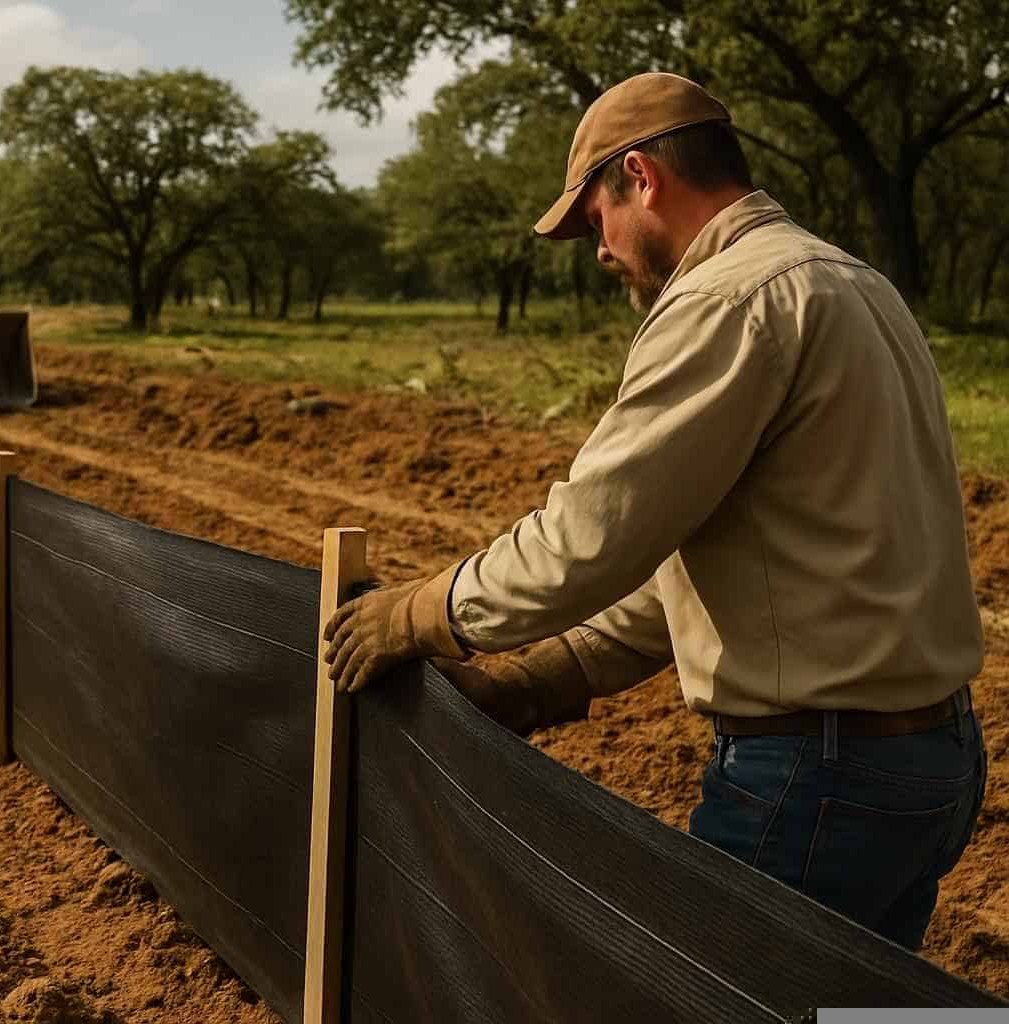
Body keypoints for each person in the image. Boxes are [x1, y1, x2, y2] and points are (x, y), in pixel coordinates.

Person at [321, 71, 987, 951]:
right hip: (927, 762)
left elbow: (589, 541)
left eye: (594, 217)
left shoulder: (725, 298)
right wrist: (542, 679)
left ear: (640, 176)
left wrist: (415, 613)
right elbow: (710, 565)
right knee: (872, 1011)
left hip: (814, 776)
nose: (598, 251)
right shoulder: (854, 284)